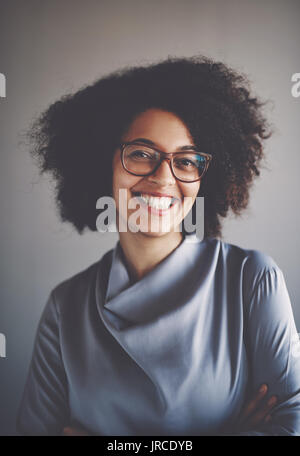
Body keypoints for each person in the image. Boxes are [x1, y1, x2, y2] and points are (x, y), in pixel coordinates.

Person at [16, 55, 300, 436]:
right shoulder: (65, 307)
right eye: (141, 154)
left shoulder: (251, 281)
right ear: (105, 163)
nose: (163, 177)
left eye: (185, 161)